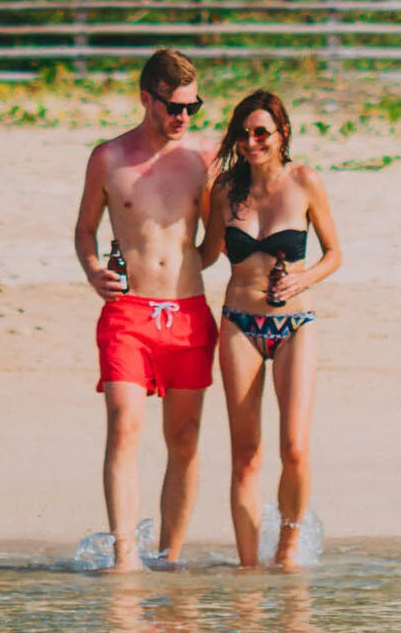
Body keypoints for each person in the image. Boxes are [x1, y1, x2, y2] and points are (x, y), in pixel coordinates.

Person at [74, 46, 217, 570]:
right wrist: (93, 270)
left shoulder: (202, 156)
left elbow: (224, 224)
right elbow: (86, 228)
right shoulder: (108, 158)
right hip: (128, 313)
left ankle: (170, 557)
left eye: (191, 107)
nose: (182, 117)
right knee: (124, 424)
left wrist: (200, 262)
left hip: (187, 313)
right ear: (146, 99)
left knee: (184, 437)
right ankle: (124, 556)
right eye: (173, 106)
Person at [203, 88, 341, 569]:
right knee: (246, 455)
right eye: (243, 133)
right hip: (239, 322)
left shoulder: (305, 181)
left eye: (261, 132)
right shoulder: (224, 189)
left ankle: (285, 553)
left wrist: (303, 277)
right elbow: (204, 253)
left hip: (294, 324)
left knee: (295, 448)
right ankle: (248, 569)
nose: (251, 141)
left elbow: (334, 254)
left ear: (282, 134)